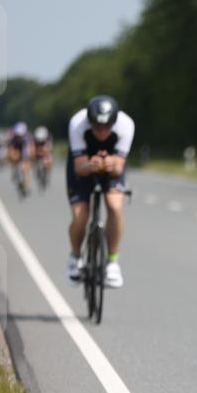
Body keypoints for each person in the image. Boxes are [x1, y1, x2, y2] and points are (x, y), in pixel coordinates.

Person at [65, 95, 135, 288]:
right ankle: (75, 258)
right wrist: (90, 165)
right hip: (83, 164)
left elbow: (118, 167)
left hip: (112, 167)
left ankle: (112, 262)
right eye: (97, 127)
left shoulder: (126, 124)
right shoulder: (78, 123)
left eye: (107, 127)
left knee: (114, 206)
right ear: (90, 121)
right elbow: (79, 168)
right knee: (80, 216)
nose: (102, 131)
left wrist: (109, 164)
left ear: (114, 122)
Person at [6, 121, 31, 195]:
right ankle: (15, 173)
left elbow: (29, 149)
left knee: (25, 170)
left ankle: (27, 185)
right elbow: (11, 150)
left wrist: (28, 158)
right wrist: (12, 157)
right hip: (17, 153)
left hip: (25, 154)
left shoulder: (27, 138)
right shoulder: (14, 139)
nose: (19, 136)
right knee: (13, 160)